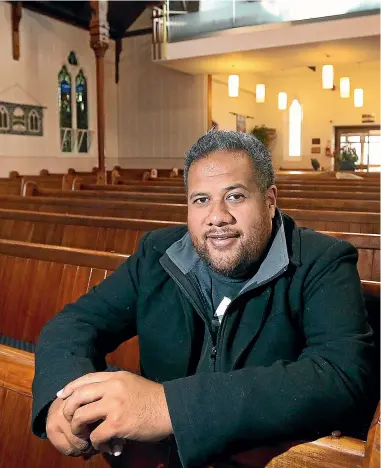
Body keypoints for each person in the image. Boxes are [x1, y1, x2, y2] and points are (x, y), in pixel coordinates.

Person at [32, 130, 374, 467]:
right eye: (201, 199)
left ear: (270, 201)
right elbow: (76, 323)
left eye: (236, 196)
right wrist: (62, 399)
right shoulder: (157, 254)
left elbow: (340, 375)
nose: (217, 216)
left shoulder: (322, 261)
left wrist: (168, 407)